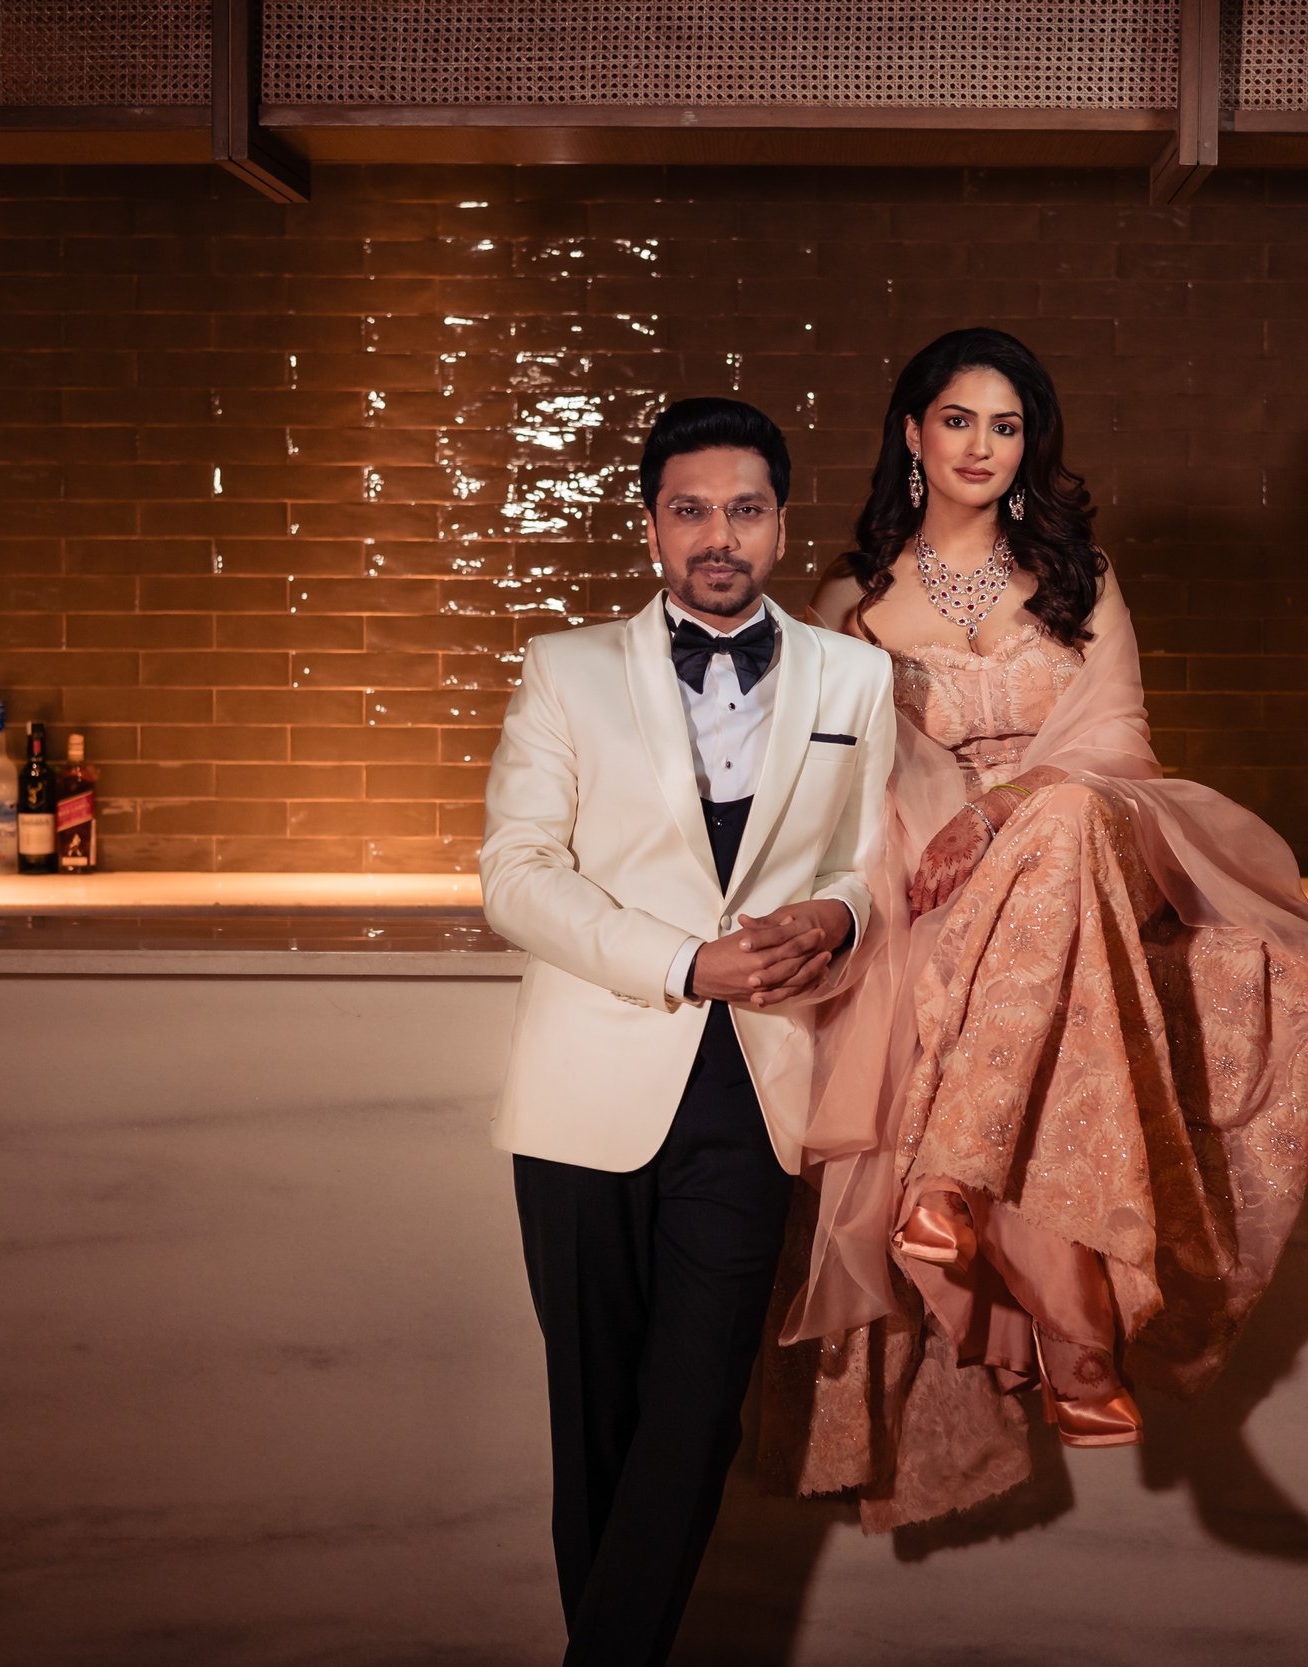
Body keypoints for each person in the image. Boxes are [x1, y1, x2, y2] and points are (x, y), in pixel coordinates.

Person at [762, 329, 1308, 1532]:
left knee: (1069, 810)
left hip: (1101, 832)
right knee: (1022, 928)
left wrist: (1003, 808)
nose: (982, 445)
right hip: (931, 868)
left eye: (1007, 424)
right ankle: (1075, 1342)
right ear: (912, 433)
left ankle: (953, 1174)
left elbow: (1119, 741)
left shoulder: (1078, 575)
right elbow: (835, 780)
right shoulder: (847, 600)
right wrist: (932, 835)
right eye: (959, 419)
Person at [480, 396, 896, 1665]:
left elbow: (876, 855)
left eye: (745, 509)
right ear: (652, 524)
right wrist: (682, 961)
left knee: (697, 1410)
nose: (720, 534)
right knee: (597, 1418)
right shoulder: (564, 668)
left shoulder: (856, 676)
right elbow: (514, 874)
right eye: (691, 509)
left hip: (759, 1086)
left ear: (781, 522)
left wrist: (836, 909)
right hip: (584, 1089)